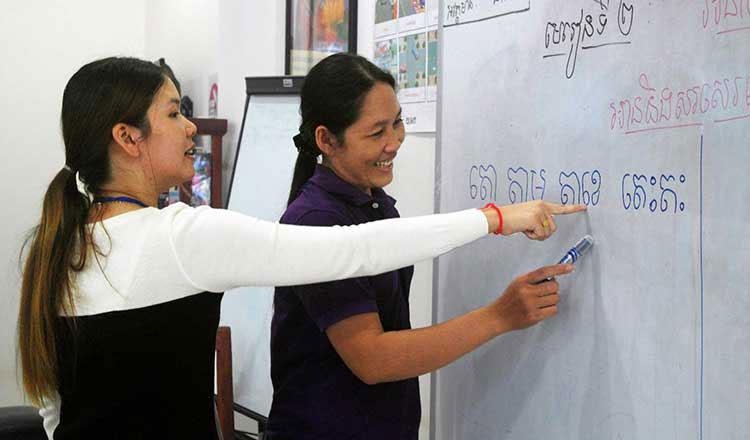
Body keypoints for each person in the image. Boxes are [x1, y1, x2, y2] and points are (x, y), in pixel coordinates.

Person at [16, 56, 578, 440]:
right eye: (173, 113)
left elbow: (54, 404)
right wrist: (496, 218)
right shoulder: (180, 237)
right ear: (128, 138)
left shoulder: (60, 245)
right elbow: (353, 252)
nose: (190, 128)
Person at [267, 53, 586, 439]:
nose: (394, 143)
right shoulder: (314, 221)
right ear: (326, 140)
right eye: (376, 132)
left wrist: (497, 220)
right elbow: (373, 358)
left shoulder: (373, 203)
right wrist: (500, 315)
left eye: (398, 123)